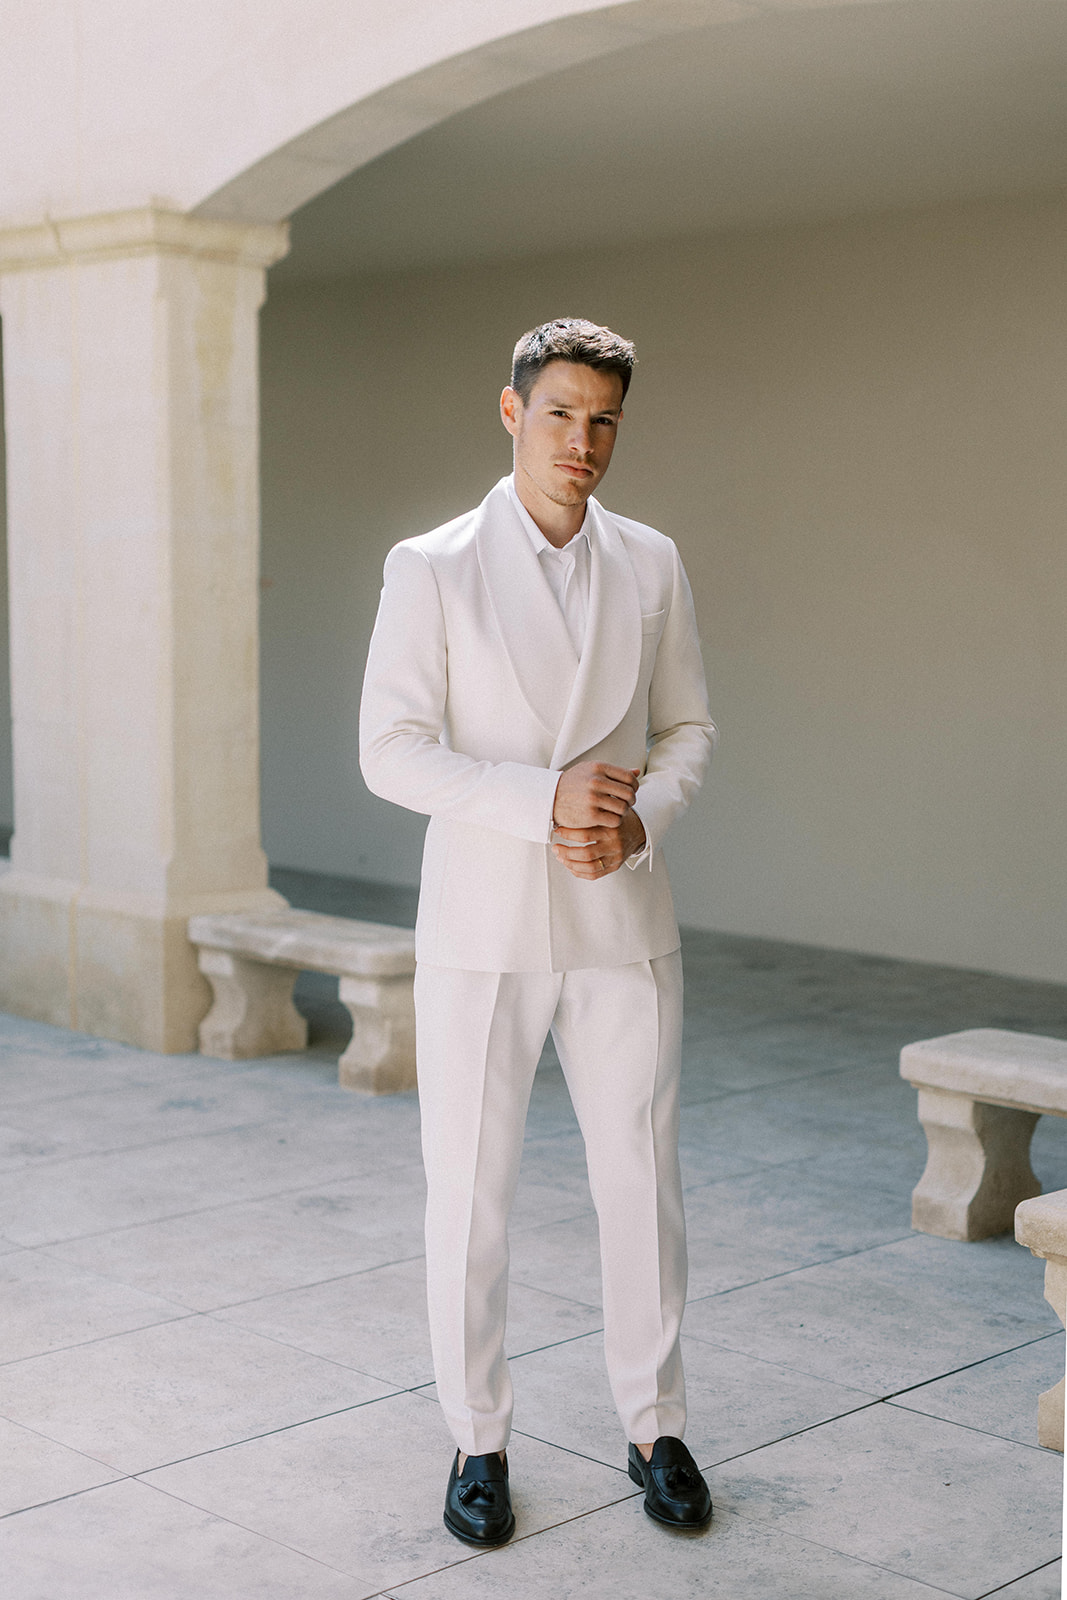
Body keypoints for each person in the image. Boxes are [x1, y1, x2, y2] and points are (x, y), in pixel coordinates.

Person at [359, 318, 716, 1543]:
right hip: (480, 925)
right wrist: (538, 802)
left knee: (641, 1182)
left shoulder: (653, 560)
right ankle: (476, 1440)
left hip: (623, 915)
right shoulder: (434, 565)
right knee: (468, 1193)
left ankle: (654, 1424)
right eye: (560, 414)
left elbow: (687, 731)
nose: (584, 441)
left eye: (604, 419)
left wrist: (638, 823)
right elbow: (388, 750)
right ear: (511, 413)